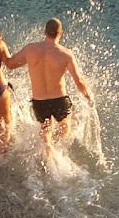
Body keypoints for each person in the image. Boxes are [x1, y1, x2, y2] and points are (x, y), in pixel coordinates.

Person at [11, 15, 92, 150]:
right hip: (59, 100)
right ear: (61, 33)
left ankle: (49, 152)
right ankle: (59, 154)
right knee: (65, 131)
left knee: (45, 135)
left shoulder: (30, 49)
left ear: (44, 32)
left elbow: (11, 63)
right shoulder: (66, 54)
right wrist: (88, 96)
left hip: (39, 102)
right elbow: (78, 81)